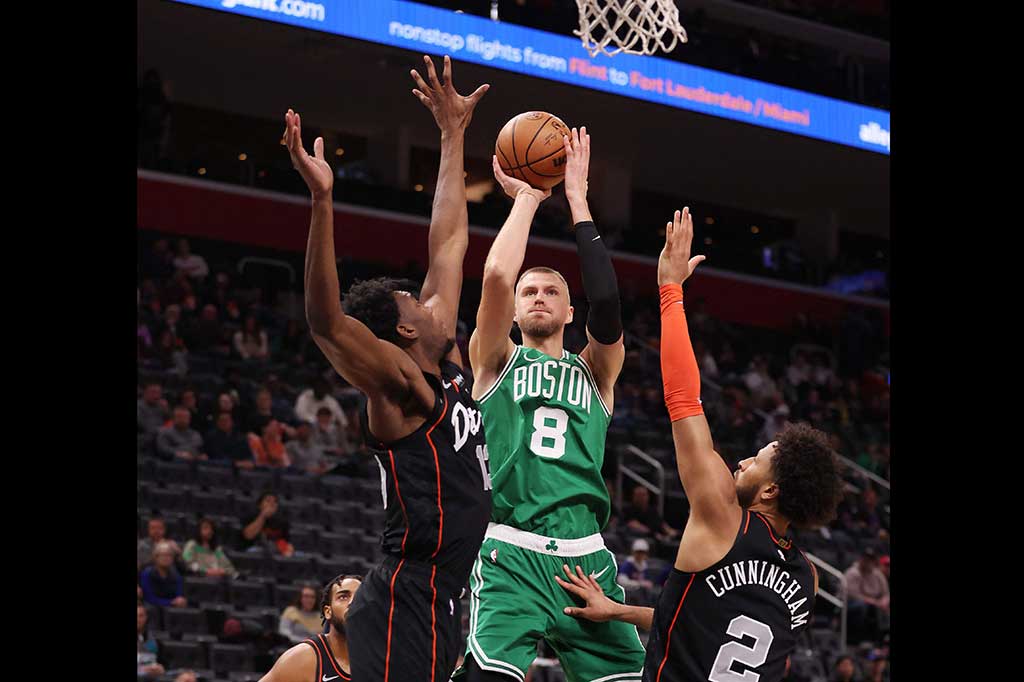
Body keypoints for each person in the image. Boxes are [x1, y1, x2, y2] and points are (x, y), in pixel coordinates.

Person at [553, 208, 844, 682]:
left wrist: (671, 291)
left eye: (758, 461)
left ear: (770, 492)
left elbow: (683, 398)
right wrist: (618, 611)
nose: (745, 461)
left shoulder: (722, 515)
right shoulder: (806, 579)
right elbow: (710, 629)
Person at [285, 54, 492, 682]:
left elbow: (450, 240)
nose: (429, 300)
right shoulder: (402, 388)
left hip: (440, 592)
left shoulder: (446, 363)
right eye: (414, 300)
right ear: (403, 329)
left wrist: (453, 136)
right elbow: (326, 324)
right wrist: (323, 203)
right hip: (411, 592)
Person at [456, 126, 647, 682]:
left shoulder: (595, 370)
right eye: (529, 292)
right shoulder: (493, 360)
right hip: (509, 551)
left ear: (569, 312)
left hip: (584, 557)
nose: (539, 296)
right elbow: (495, 274)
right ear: (515, 313)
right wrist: (527, 199)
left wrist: (580, 202)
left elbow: (608, 302)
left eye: (552, 292)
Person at [258, 574, 362, 682]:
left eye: (359, 596)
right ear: (327, 612)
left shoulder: (378, 658)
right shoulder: (301, 658)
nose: (352, 602)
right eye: (343, 597)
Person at [843, 547, 889, 643]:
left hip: (874, 603)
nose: (868, 562)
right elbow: (853, 595)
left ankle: (883, 638)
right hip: (850, 604)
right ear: (861, 559)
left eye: (871, 559)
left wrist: (884, 601)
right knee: (861, 605)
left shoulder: (877, 574)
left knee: (882, 606)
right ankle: (857, 639)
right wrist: (875, 602)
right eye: (866, 559)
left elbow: (885, 593)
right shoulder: (852, 573)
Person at [240, 492, 294, 556]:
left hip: (275, 552)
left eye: (275, 502)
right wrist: (263, 516)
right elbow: (248, 536)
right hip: (251, 552)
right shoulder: (250, 517)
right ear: (259, 505)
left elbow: (285, 542)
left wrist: (287, 550)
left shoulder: (282, 522)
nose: (272, 504)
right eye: (268, 501)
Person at [140, 541, 188, 608]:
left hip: (172, 611)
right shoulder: (146, 574)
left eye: (169, 555)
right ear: (155, 557)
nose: (166, 558)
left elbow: (178, 595)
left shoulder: (176, 575)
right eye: (163, 555)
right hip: (153, 609)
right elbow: (149, 598)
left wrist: (180, 601)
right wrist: (170, 602)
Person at [137, 603, 165, 679]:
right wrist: (142, 670)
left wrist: (161, 667)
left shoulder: (155, 640)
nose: (138, 619)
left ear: (146, 617)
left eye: (140, 616)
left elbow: (161, 662)